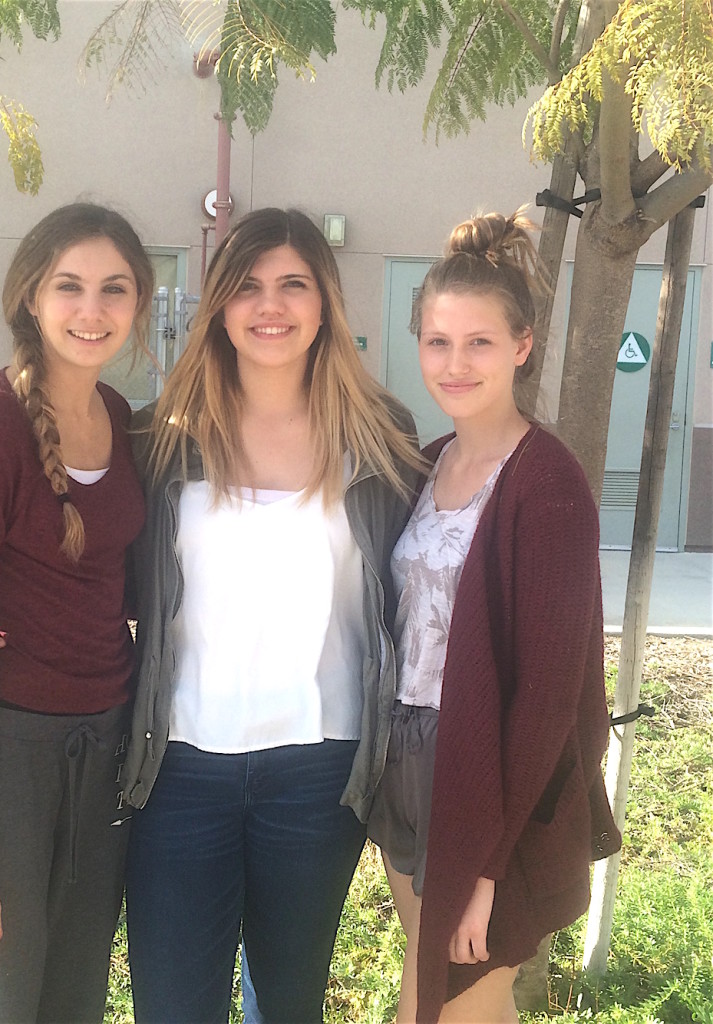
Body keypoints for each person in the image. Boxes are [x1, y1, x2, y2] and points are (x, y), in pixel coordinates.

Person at [121, 207, 425, 1024]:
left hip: (319, 772)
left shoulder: (379, 439)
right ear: (220, 305)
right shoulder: (160, 440)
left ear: (324, 302)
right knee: (173, 1006)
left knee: (287, 1005)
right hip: (178, 766)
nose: (271, 305)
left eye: (294, 284)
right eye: (249, 285)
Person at [365, 211, 622, 1023]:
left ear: (521, 345)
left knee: (462, 1009)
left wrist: (486, 869)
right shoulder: (430, 461)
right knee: (423, 998)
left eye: (479, 343)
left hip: (485, 777)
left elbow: (547, 704)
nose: (455, 363)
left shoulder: (546, 485)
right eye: (438, 342)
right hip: (406, 758)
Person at [0, 202, 153, 1023]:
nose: (92, 310)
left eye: (114, 289)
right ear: (30, 295)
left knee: (73, 997)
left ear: (138, 306)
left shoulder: (121, 420)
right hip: (8, 756)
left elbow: (111, 584)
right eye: (70, 286)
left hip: (106, 752)